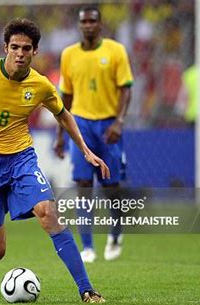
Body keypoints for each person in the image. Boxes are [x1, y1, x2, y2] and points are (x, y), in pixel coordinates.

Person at [0, 18, 109, 303]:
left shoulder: (40, 86)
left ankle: (87, 289)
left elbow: (62, 113)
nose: (19, 53)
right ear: (5, 47)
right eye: (14, 47)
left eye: (26, 48)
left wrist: (86, 150)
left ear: (35, 52)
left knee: (49, 213)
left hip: (19, 160)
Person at [54, 6, 133, 263]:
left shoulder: (115, 51)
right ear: (79, 25)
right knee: (83, 186)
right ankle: (87, 246)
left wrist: (119, 122)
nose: (88, 25)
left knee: (111, 187)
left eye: (92, 21)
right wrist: (60, 135)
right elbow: (65, 97)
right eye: (83, 21)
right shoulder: (69, 55)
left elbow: (125, 89)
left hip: (109, 125)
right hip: (81, 125)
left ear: (100, 25)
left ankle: (115, 234)